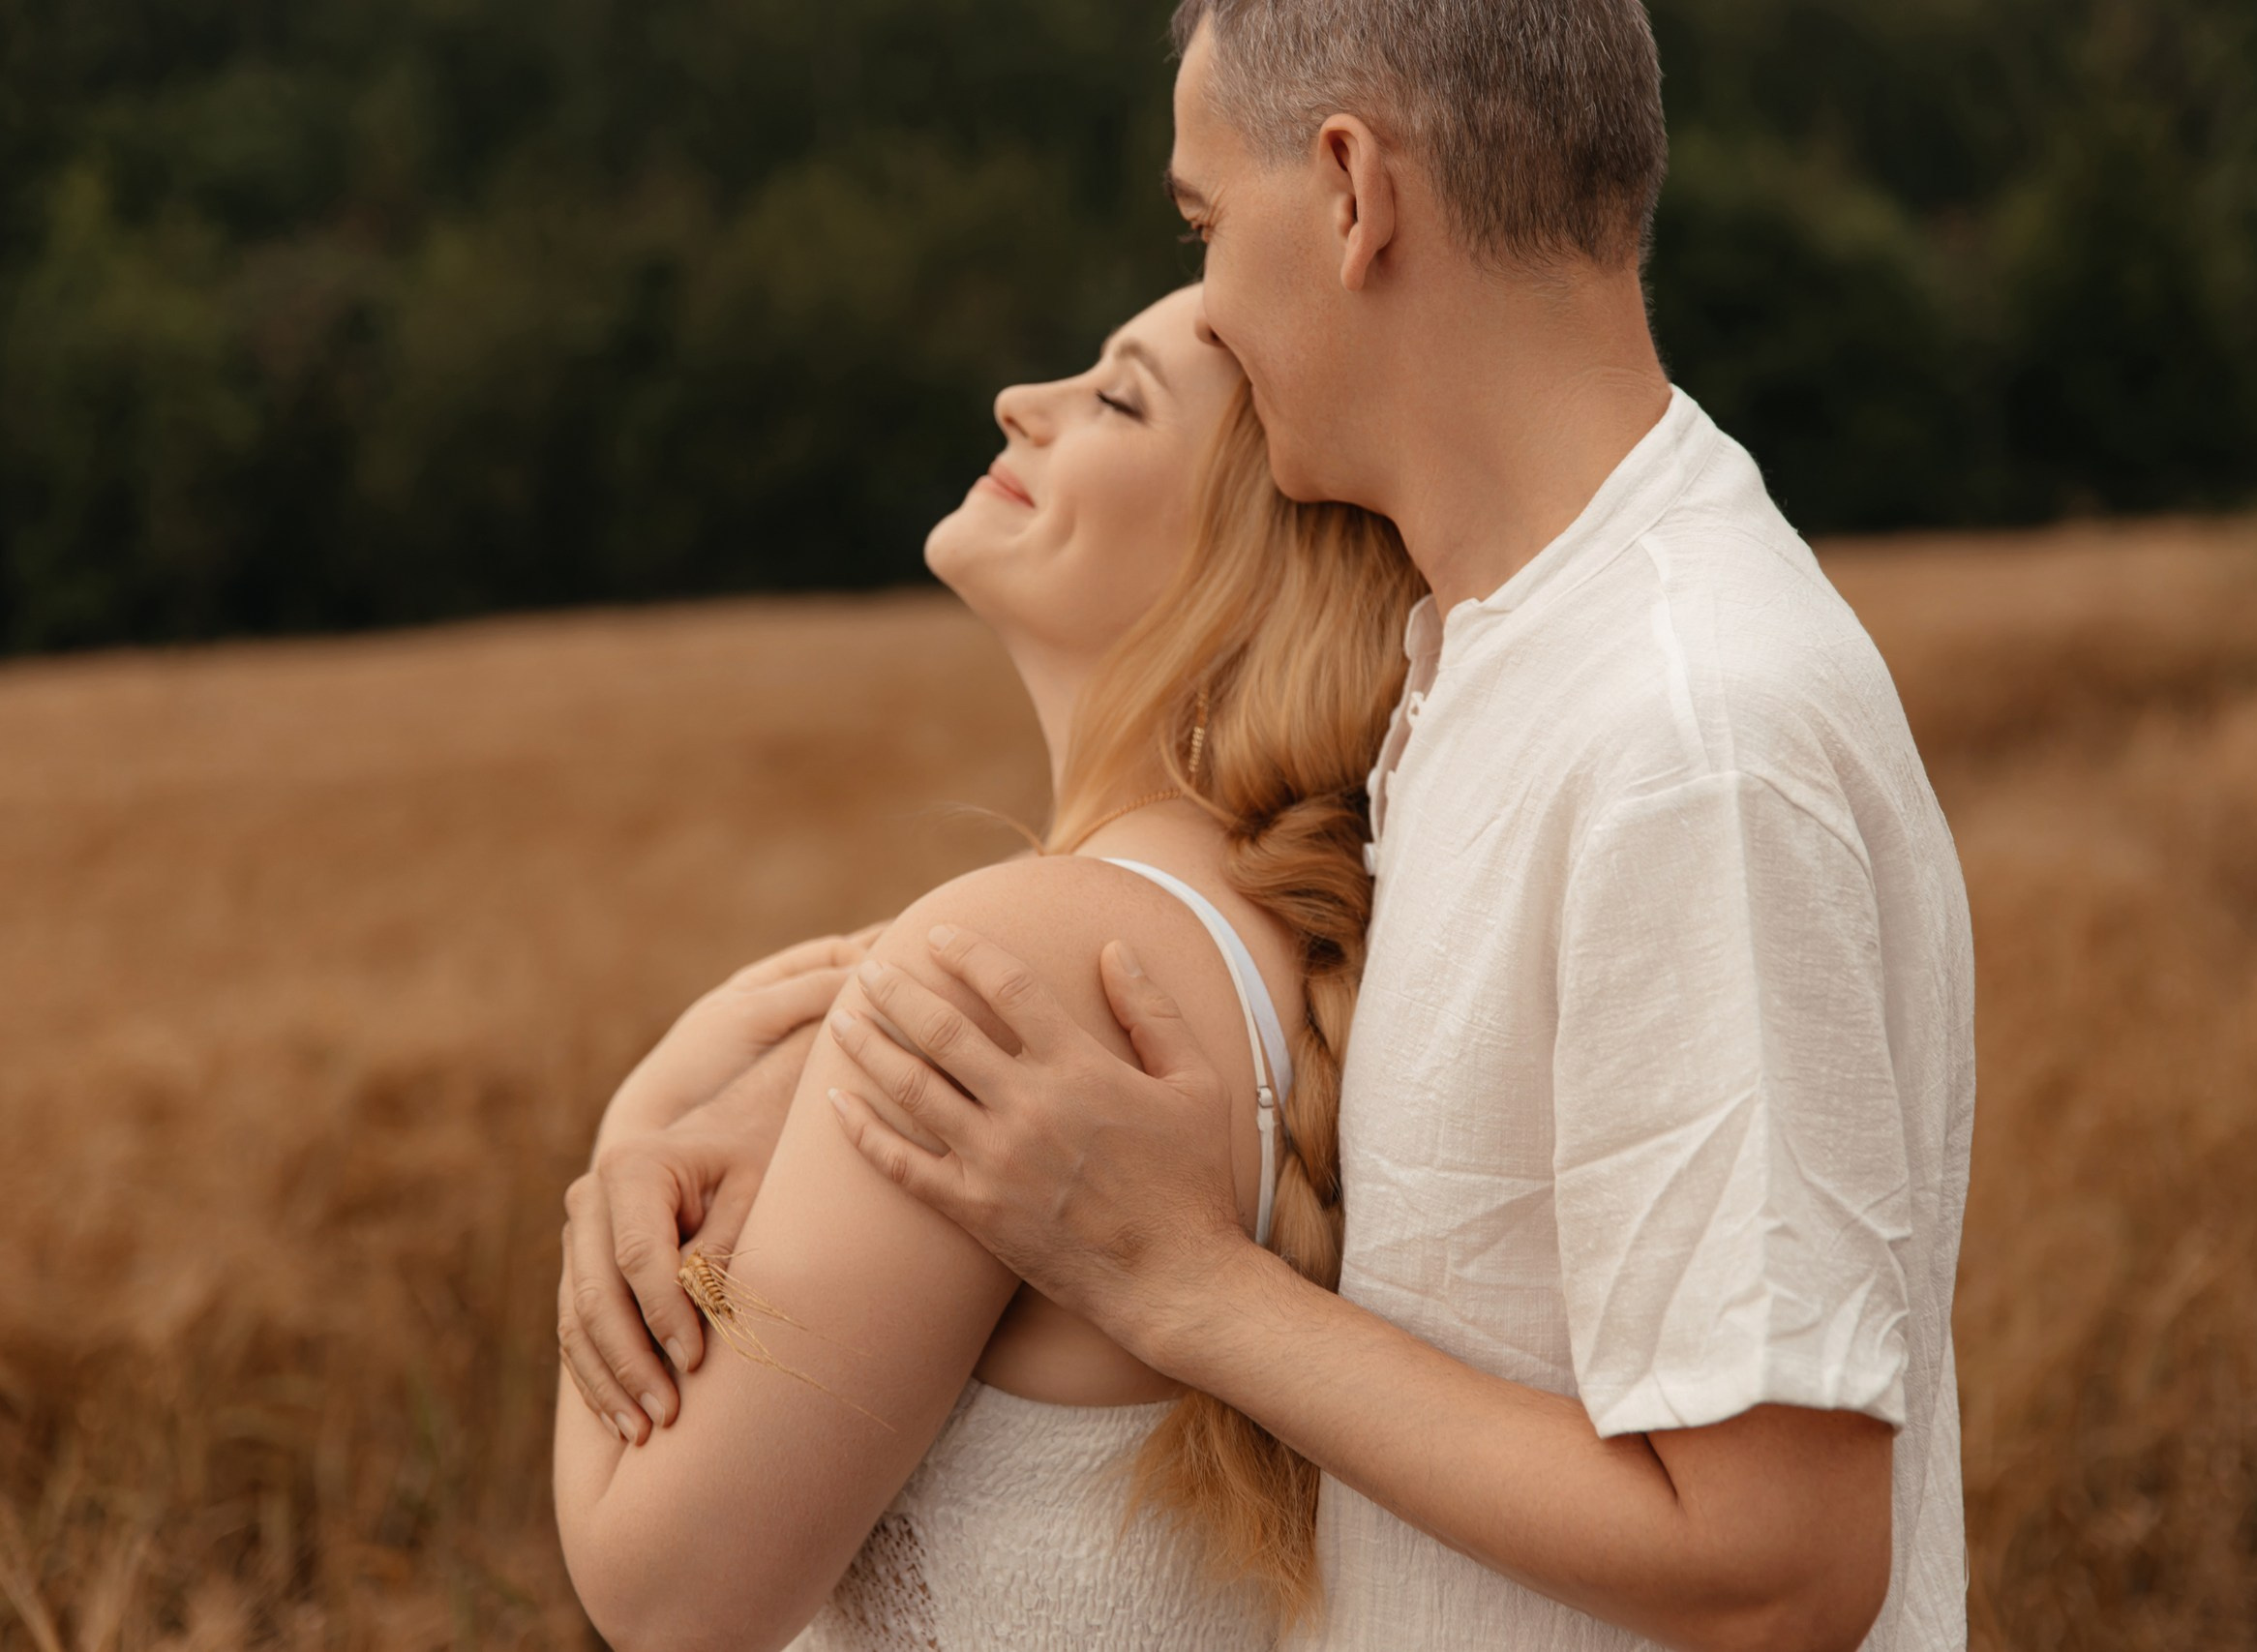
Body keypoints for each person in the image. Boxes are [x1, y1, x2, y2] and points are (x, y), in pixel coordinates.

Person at [577, 3, 1976, 1648]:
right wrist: (798, 1108)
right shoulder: (1485, 662)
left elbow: (1778, 1567)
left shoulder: (1685, 729)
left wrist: (1182, 1283)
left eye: (1200, 220)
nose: (1210, 297)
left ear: (1350, 193)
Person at [552, 284, 1426, 1650]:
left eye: (1116, 396)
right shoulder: (1282, 945)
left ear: (1250, 563)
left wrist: (638, 1132)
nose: (1024, 400)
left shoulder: (1026, 960)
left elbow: (670, 1599)